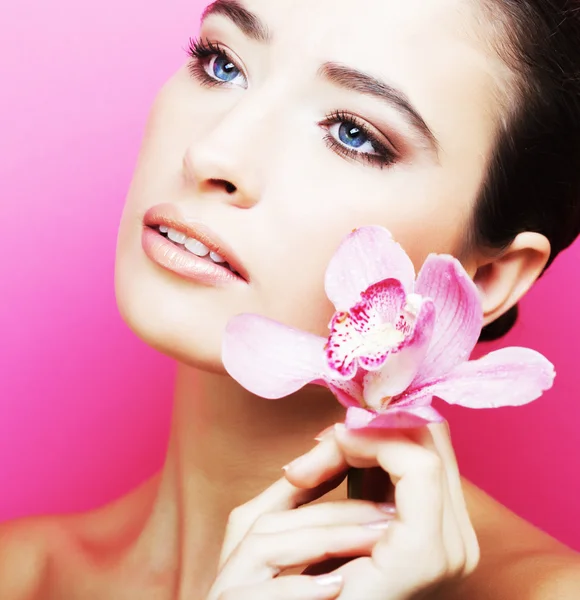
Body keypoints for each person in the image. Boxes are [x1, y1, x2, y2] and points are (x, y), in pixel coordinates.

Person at [2, 0, 580, 597]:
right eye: (221, 63)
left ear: (486, 279)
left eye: (353, 135)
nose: (213, 154)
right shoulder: (20, 574)